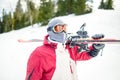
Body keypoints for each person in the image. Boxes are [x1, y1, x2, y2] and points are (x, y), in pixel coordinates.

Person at [25, 18, 105, 80]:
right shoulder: (39, 54)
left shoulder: (69, 48)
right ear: (51, 31)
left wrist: (95, 48)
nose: (63, 31)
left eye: (64, 28)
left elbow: (85, 54)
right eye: (59, 28)